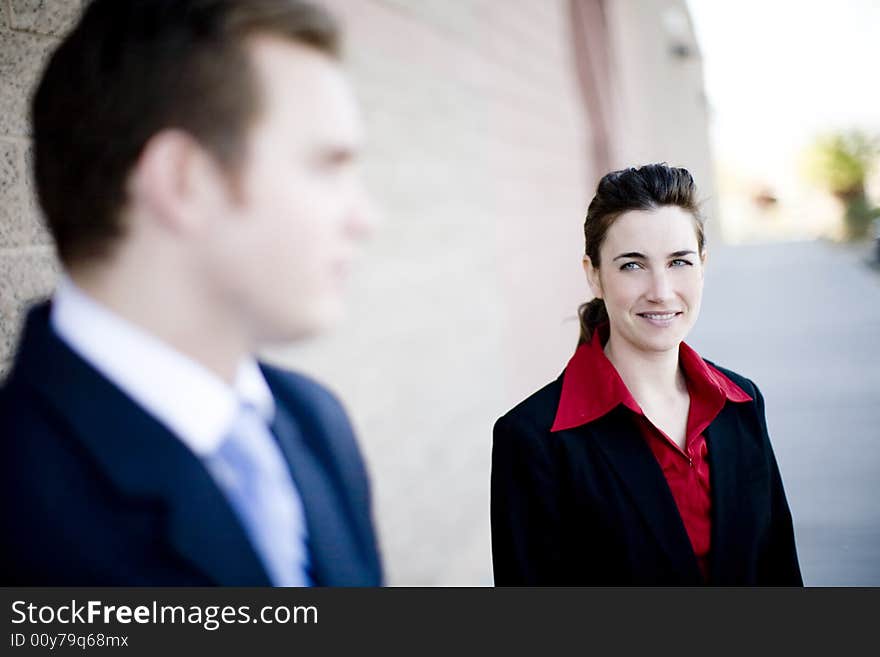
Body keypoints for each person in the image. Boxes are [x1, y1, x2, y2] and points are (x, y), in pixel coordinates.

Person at [0, 0, 383, 586]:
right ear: (184, 181)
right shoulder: (19, 504)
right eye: (327, 165)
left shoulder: (315, 423)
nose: (365, 218)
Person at [490, 164, 802, 585]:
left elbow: (779, 570)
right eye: (632, 266)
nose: (660, 290)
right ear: (593, 274)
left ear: (702, 265)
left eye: (679, 261)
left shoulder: (741, 402)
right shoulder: (532, 439)